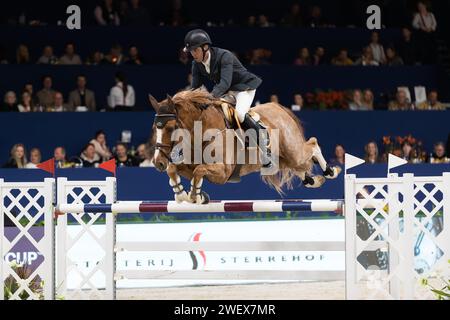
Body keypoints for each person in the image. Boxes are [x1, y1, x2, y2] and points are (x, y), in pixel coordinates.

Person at [183, 29, 270, 167]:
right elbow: (195, 88)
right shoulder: (196, 64)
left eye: (195, 50)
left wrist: (209, 98)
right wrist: (188, 102)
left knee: (240, 114)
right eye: (191, 51)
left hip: (243, 88)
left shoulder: (225, 56)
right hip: (227, 91)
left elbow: (225, 83)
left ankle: (265, 147)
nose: (193, 54)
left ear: (205, 47)